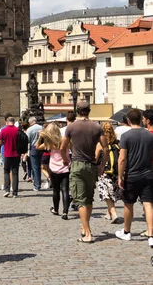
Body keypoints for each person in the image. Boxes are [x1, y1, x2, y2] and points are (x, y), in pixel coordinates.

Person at [61, 101, 108, 243]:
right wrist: (102, 165)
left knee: (80, 200)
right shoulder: (96, 127)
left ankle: (88, 233)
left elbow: (63, 146)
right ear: (89, 110)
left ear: (77, 111)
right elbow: (106, 148)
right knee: (88, 199)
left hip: (77, 165)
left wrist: (65, 160)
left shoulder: (71, 127)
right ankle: (84, 227)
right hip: (91, 166)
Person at [115, 108, 153, 249]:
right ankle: (151, 235)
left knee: (128, 204)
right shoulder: (150, 135)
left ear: (129, 120)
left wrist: (120, 176)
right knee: (148, 204)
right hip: (148, 173)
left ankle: (127, 231)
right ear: (141, 119)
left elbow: (122, 158)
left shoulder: (126, 136)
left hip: (132, 174)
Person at [37, 123, 70, 219]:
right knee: (65, 190)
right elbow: (72, 147)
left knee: (56, 190)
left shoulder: (49, 143)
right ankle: (65, 212)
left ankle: (56, 209)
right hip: (65, 168)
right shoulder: (64, 140)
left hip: (54, 168)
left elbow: (37, 147)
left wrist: (40, 137)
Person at [95, 122, 120, 223]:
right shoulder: (117, 143)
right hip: (115, 171)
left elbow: (96, 158)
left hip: (104, 170)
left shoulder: (100, 144)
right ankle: (108, 213)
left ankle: (113, 213)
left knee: (106, 194)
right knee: (112, 191)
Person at [0, 116, 20, 198]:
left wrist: (5, 143)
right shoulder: (18, 130)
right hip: (16, 155)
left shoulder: (4, 130)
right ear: (14, 122)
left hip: (7, 154)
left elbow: (0, 142)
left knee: (6, 171)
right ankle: (15, 192)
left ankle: (7, 190)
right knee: (15, 173)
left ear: (7, 122)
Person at [26, 116, 43, 191]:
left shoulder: (29, 130)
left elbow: (27, 140)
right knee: (39, 166)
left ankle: (37, 185)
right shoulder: (42, 128)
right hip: (42, 147)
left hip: (34, 148)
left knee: (35, 167)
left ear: (30, 122)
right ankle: (38, 182)